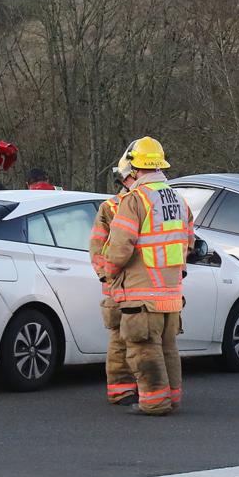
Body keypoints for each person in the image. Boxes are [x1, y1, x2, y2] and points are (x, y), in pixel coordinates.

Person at [97, 136, 193, 416]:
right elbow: (189, 242)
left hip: (142, 292)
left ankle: (154, 402)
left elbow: (120, 247)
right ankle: (171, 398)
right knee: (168, 349)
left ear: (135, 169)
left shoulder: (136, 200)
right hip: (171, 293)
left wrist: (110, 273)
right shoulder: (178, 199)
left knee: (142, 349)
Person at [90, 164, 136, 406]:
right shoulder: (110, 208)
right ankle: (122, 390)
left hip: (138, 286)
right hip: (119, 287)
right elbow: (97, 247)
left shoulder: (140, 203)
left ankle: (134, 388)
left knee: (139, 340)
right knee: (120, 340)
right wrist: (107, 276)